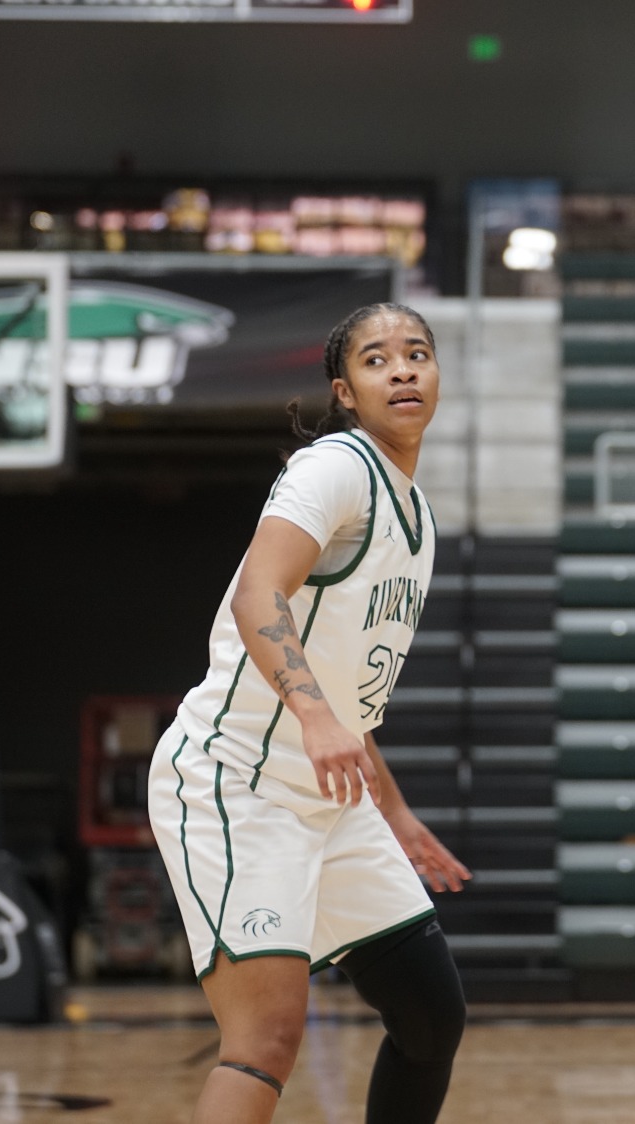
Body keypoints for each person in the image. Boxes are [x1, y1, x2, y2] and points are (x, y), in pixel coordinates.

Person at [147, 302, 473, 1124]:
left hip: (333, 797)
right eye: (376, 359)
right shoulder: (334, 468)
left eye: (417, 353)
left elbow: (351, 695)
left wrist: (392, 810)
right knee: (265, 1041)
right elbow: (260, 593)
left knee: (431, 1017)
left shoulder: (419, 518)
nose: (402, 368)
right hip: (235, 785)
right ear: (346, 392)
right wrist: (313, 715)